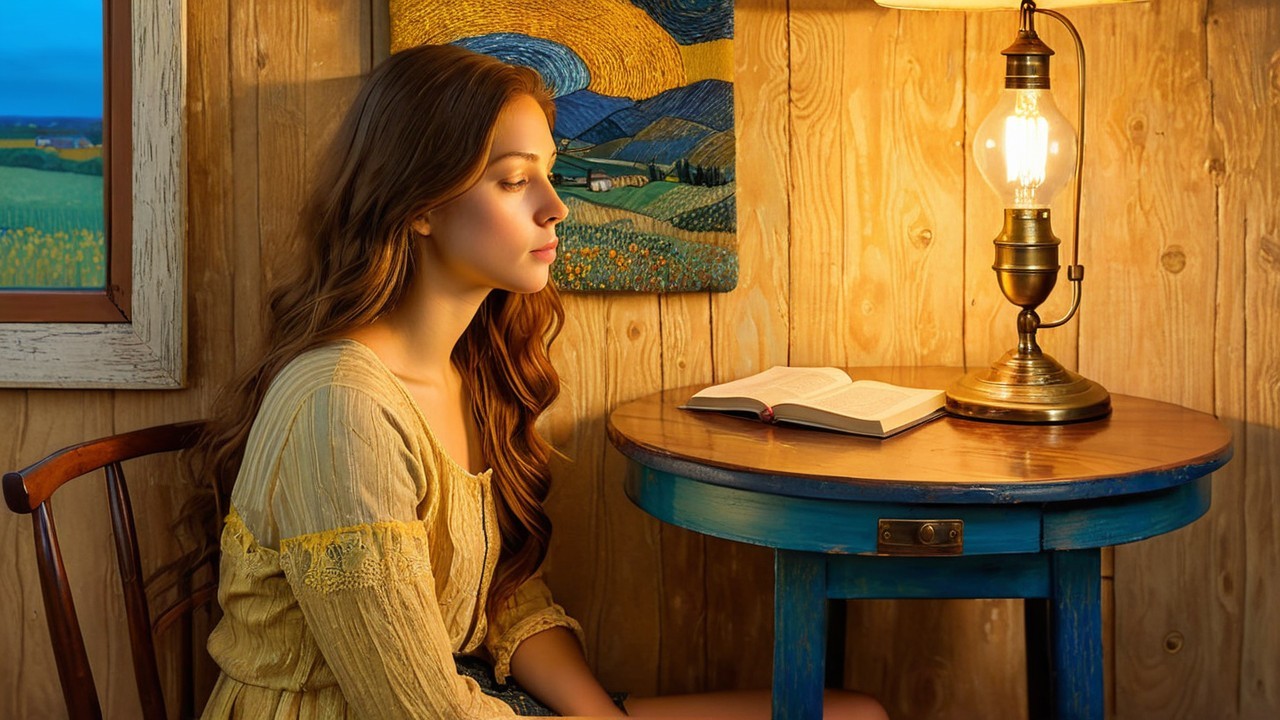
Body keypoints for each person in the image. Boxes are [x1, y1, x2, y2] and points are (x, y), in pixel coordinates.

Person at [191, 43, 888, 719]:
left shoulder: (465, 373)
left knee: (851, 714)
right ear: (419, 206)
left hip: (471, 697)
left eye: (550, 174)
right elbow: (417, 709)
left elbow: (506, 595)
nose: (556, 207)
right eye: (515, 180)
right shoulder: (340, 408)